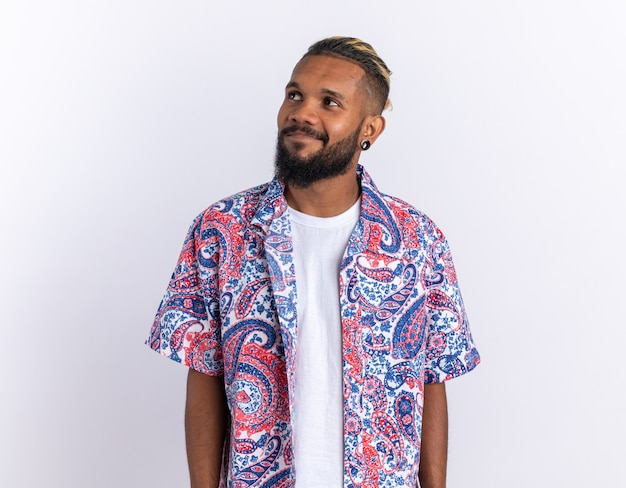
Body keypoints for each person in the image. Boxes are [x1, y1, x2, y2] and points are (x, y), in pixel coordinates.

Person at [147, 36, 480, 488]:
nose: (302, 112)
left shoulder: (418, 240)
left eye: (330, 102)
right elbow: (204, 374)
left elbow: (433, 378)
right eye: (295, 94)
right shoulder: (221, 232)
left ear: (370, 129)